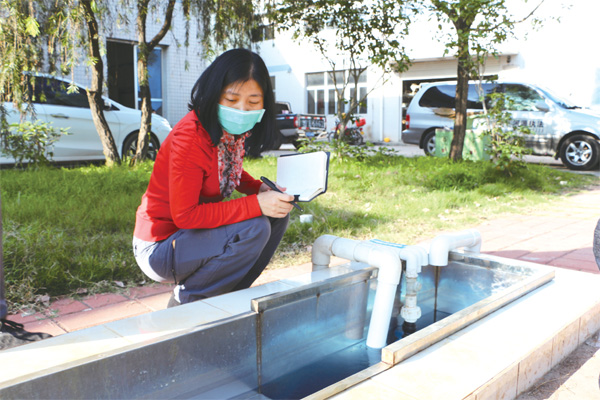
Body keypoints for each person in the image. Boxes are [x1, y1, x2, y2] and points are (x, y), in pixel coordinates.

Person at [132, 49, 294, 307]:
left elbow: (224, 169)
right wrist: (255, 204)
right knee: (255, 227)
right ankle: (188, 302)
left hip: (188, 238)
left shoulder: (227, 133)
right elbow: (186, 216)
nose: (242, 109)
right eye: (231, 99)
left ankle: (229, 295)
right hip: (159, 247)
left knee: (277, 216)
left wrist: (257, 188)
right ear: (214, 94)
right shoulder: (191, 137)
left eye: (253, 102)